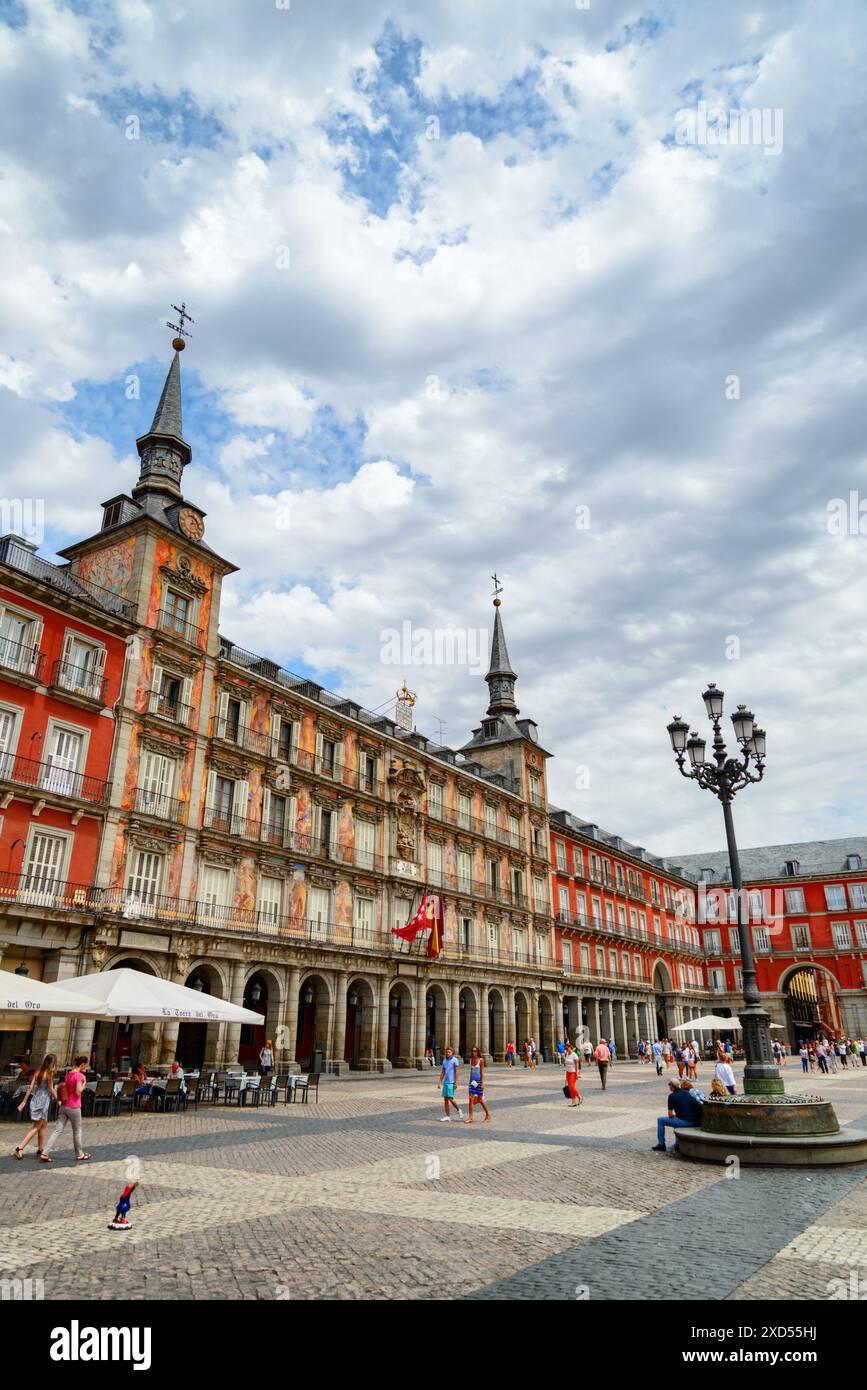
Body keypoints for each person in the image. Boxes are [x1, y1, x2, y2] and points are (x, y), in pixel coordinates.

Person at [40, 1055, 90, 1163]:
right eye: (85, 1065)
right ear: (82, 1065)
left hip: (64, 1105)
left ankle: (45, 1153)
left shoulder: (69, 1074)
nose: (86, 1067)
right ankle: (79, 1154)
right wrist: (84, 1082)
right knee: (77, 1130)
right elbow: (78, 1091)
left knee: (57, 1130)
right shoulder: (80, 1076)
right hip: (74, 1107)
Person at [13, 1053, 57, 1159]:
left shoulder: (38, 1072)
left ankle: (40, 1149)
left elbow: (30, 1088)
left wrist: (23, 1101)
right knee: (37, 1126)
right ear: (52, 1063)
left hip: (36, 1099)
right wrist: (58, 1098)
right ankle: (20, 1148)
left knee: (43, 1126)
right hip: (43, 1101)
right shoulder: (49, 1074)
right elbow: (50, 1089)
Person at [652, 1078, 703, 1153]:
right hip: (694, 1121)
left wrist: (675, 1115)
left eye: (669, 1086)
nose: (669, 1087)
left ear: (672, 1087)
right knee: (677, 1122)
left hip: (685, 1121)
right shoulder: (687, 1093)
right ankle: (677, 1145)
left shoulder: (672, 1096)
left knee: (661, 1120)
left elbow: (670, 1114)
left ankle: (661, 1144)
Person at [438, 1046, 463, 1122]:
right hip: (446, 1082)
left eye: (449, 1052)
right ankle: (448, 1116)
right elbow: (443, 1072)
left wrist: (455, 1082)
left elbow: (457, 1072)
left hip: (451, 1082)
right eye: (447, 1052)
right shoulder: (445, 1060)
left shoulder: (455, 1060)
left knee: (450, 1099)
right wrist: (440, 1082)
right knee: (445, 1100)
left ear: (452, 1053)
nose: (447, 1053)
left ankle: (459, 1110)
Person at [466, 1047, 490, 1123]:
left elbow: (482, 1073)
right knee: (470, 1100)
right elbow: (471, 1071)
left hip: (479, 1082)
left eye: (475, 1051)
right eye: (472, 1051)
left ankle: (487, 1114)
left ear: (477, 1052)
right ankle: (470, 1118)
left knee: (480, 1100)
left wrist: (482, 1083)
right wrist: (469, 1081)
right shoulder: (471, 1060)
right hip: (472, 1083)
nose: (473, 1052)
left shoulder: (481, 1060)